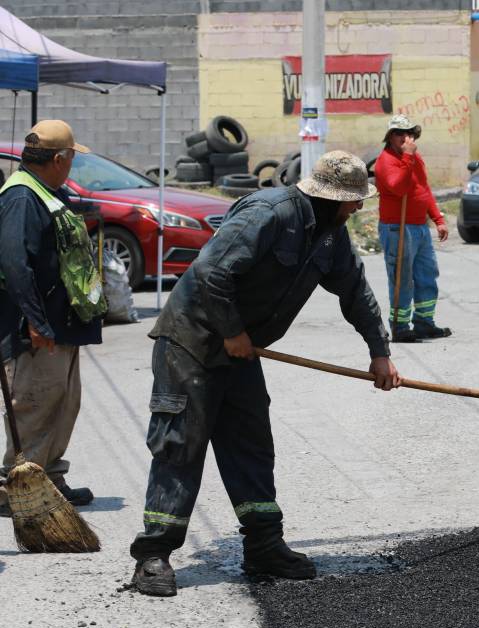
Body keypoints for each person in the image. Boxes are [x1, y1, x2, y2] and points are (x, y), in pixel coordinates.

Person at [129, 151, 402, 597]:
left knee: (251, 444)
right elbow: (211, 272)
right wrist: (232, 331)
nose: (358, 206)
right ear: (332, 198)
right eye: (354, 200)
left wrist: (379, 352)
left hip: (241, 352)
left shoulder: (331, 234)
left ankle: (263, 546)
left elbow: (354, 289)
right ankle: (153, 555)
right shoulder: (269, 213)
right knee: (180, 444)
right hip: (192, 343)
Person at [0, 120, 103, 518]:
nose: (72, 164)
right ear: (58, 159)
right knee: (34, 404)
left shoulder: (46, 191)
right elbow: (14, 263)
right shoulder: (21, 197)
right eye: (72, 158)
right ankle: (15, 489)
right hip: (36, 329)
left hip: (62, 325)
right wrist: (35, 321)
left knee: (63, 402)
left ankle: (50, 478)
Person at [375, 114, 451, 342]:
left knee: (427, 275)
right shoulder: (385, 161)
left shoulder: (415, 158)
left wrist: (437, 219)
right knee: (402, 279)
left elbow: (423, 189)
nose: (405, 137)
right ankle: (399, 327)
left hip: (419, 227)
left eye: (409, 133)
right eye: (399, 133)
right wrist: (407, 158)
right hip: (397, 228)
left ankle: (424, 323)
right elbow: (399, 188)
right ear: (390, 137)